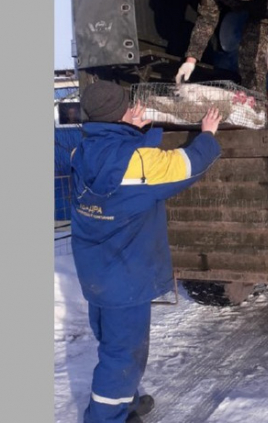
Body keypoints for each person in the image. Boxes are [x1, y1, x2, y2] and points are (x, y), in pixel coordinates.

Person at [70, 80, 222, 423]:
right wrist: (208, 135)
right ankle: (105, 418)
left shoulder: (82, 152)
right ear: (118, 114)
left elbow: (123, 165)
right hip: (125, 277)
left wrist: (132, 132)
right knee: (122, 354)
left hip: (96, 273)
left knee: (112, 343)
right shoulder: (137, 163)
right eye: (127, 107)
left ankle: (124, 401)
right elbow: (185, 166)